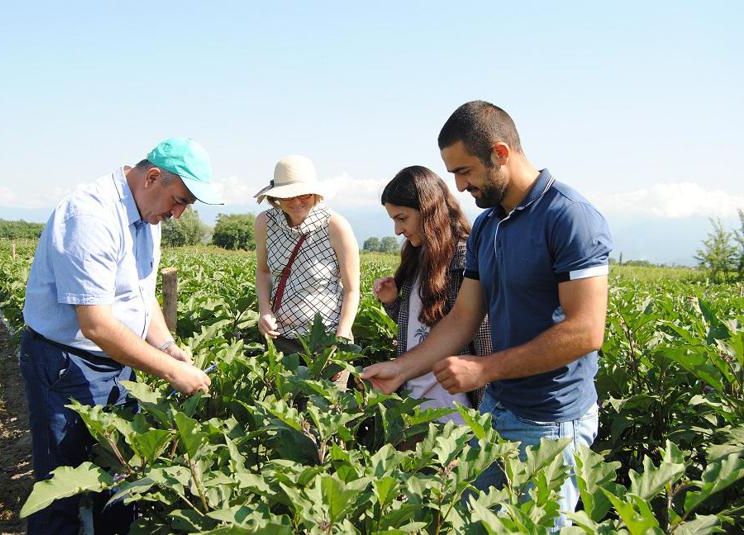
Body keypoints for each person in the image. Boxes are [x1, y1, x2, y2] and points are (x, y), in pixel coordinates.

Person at [361, 101, 613, 529]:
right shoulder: (488, 226)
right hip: (497, 410)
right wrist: (401, 369)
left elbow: (586, 330)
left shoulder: (569, 217)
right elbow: (463, 317)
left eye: (465, 171)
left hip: (551, 422)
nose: (459, 186)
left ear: (500, 153)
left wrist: (484, 369)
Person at [20, 137, 218, 534]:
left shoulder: (148, 217)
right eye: (179, 200)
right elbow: (96, 324)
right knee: (61, 493)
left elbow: (141, 295)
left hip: (116, 363)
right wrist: (170, 371)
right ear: (152, 177)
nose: (178, 213)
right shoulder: (90, 216)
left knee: (120, 483)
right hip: (66, 365)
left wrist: (167, 347)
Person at [372, 166, 491, 424]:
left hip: (456, 413)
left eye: (402, 218)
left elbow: (481, 338)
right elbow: (421, 329)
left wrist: (486, 412)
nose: (397, 230)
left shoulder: (463, 260)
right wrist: (392, 302)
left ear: (428, 210)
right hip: (415, 401)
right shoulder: (417, 257)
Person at [253, 155, 360, 387]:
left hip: (327, 342)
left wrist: (341, 337)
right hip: (281, 340)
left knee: (326, 407)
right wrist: (264, 311)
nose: (296, 202)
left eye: (303, 195)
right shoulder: (265, 223)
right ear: (276, 197)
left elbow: (352, 290)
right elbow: (263, 272)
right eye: (287, 196)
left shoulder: (335, 226)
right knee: (284, 405)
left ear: (314, 194)